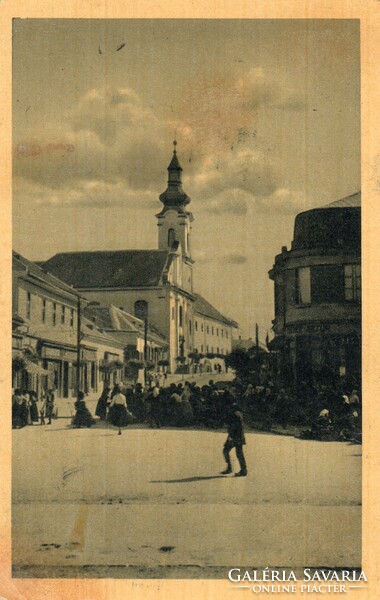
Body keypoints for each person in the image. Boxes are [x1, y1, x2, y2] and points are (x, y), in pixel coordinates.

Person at [221, 390, 247, 477]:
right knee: (234, 451)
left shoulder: (233, 409)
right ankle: (237, 469)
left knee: (230, 451)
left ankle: (241, 470)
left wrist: (231, 435)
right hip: (237, 433)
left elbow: (236, 423)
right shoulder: (236, 408)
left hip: (235, 434)